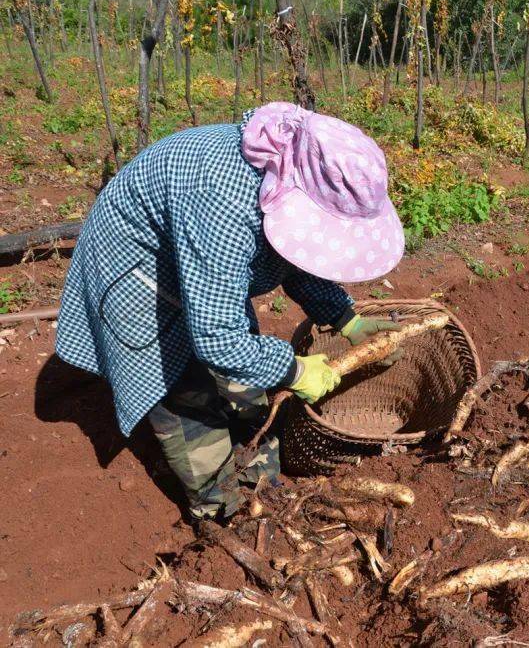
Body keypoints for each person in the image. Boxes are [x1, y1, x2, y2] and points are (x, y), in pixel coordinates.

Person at [56, 102, 405, 520]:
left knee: (245, 389)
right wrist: (294, 370)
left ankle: (260, 479)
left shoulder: (287, 171)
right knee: (186, 389)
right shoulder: (222, 200)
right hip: (139, 270)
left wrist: (347, 319)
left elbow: (294, 258)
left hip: (202, 256)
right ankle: (222, 505)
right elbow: (218, 338)